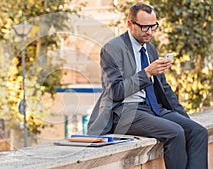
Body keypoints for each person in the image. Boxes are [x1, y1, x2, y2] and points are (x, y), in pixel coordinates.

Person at [87, 3, 208, 169]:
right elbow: (115, 92)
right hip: (126, 111)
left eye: (153, 26)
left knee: (198, 131)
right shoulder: (112, 49)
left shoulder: (150, 49)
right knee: (175, 133)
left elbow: (164, 88)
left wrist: (183, 118)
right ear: (130, 24)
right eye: (144, 27)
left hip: (153, 108)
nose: (150, 32)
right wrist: (147, 73)